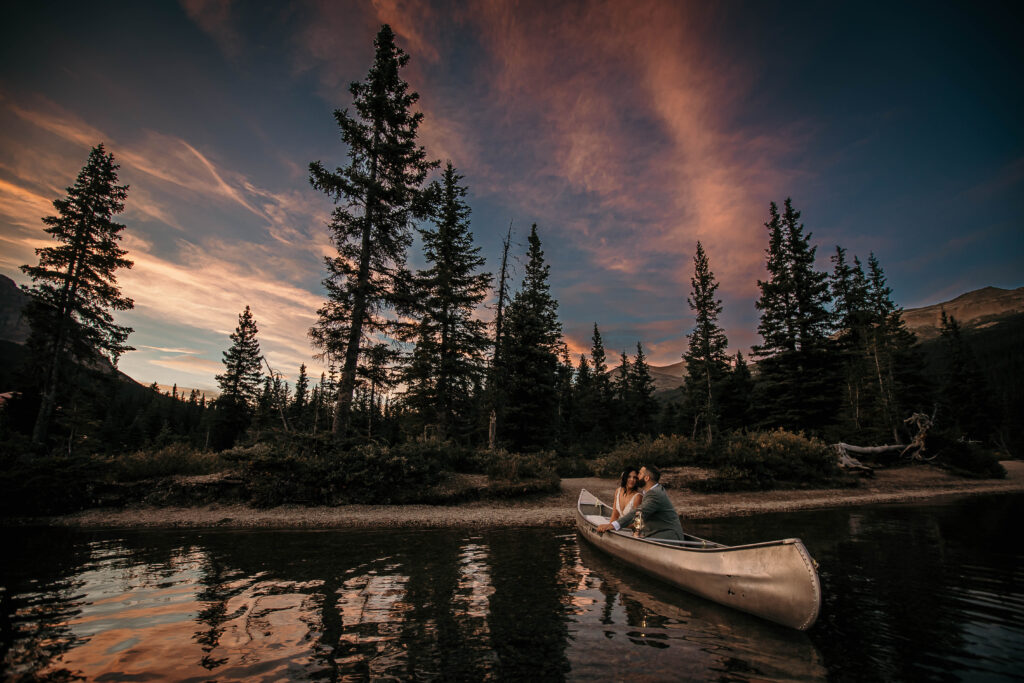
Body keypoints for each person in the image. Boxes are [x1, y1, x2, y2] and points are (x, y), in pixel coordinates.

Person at [597, 465, 684, 540]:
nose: (637, 476)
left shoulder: (654, 494)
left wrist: (613, 525)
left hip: (669, 537)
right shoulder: (653, 490)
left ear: (646, 478)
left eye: (640, 474)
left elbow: (638, 513)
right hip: (658, 531)